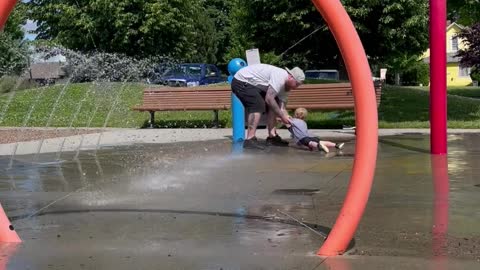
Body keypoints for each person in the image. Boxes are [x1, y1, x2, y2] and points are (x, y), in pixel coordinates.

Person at [231, 63, 305, 149]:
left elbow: (281, 108)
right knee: (257, 104)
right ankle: (250, 140)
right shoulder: (280, 76)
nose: (296, 87)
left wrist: (288, 119)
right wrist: (282, 116)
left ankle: (272, 137)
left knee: (274, 104)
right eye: (296, 84)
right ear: (290, 77)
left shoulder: (286, 87)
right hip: (241, 81)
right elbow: (269, 99)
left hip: (254, 85)